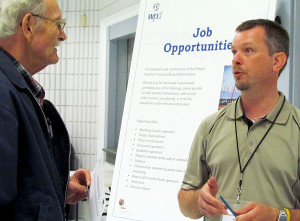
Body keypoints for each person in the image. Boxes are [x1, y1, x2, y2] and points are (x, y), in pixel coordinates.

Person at [178, 19, 300, 221]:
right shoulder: (210, 126)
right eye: (234, 52)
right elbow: (185, 205)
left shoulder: (296, 128)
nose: (236, 59)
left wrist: (278, 216)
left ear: (277, 61)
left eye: (248, 50)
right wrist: (199, 200)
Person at [0, 0, 91, 220]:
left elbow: (17, 182)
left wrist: (56, 189)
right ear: (29, 25)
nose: (63, 36)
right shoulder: (3, 93)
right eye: (58, 24)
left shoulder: (15, 89)